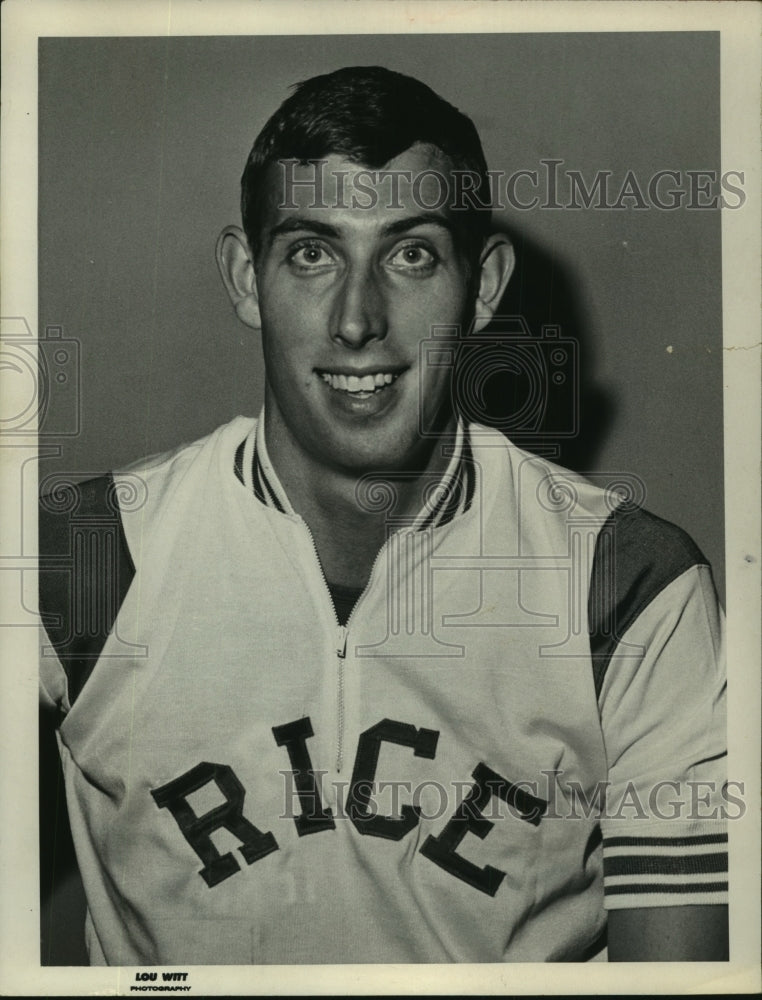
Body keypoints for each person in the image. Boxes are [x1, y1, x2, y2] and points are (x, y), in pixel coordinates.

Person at [39, 66, 728, 965]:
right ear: (248, 278)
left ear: (482, 287)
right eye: (312, 253)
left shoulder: (629, 583)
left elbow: (676, 985)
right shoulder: (86, 555)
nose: (357, 319)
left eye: (411, 255)